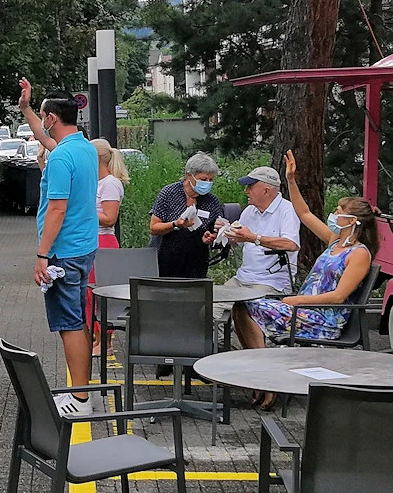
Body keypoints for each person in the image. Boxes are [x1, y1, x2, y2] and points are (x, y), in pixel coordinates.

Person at [232, 151, 377, 410]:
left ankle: (266, 380)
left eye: (339, 211)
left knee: (248, 306)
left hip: (323, 319)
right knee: (242, 305)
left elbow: (338, 297)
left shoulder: (359, 254)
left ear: (352, 222)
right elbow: (304, 213)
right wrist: (291, 180)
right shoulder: (335, 241)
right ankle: (262, 376)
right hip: (303, 310)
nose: (334, 214)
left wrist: (298, 300)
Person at [19, 78, 99, 417]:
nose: (41, 122)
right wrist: (26, 108)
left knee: (69, 324)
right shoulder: (84, 148)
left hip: (63, 253)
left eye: (42, 116)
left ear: (52, 117)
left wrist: (42, 254)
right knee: (77, 318)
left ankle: (80, 399)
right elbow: (44, 137)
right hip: (83, 247)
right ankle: (83, 391)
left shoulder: (61, 158)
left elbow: (57, 209)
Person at [212, 166, 301, 339]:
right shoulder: (249, 211)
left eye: (250, 186)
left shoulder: (287, 210)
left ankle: (241, 349)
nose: (246, 191)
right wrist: (224, 233)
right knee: (210, 306)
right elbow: (239, 240)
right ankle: (220, 347)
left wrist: (253, 238)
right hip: (242, 278)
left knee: (246, 312)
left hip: (271, 282)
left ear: (266, 190)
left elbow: (291, 244)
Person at [148, 151, 225, 278]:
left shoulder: (212, 201)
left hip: (196, 262)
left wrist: (211, 236)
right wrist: (175, 224)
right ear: (189, 176)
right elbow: (154, 228)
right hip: (165, 259)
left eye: (211, 180)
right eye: (203, 179)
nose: (207, 183)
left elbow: (215, 230)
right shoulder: (169, 193)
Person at [88, 138, 129, 356]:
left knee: (100, 293)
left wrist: (84, 212)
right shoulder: (94, 182)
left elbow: (109, 218)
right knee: (88, 293)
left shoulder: (110, 183)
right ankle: (95, 337)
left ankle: (105, 341)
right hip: (89, 240)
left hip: (103, 242)